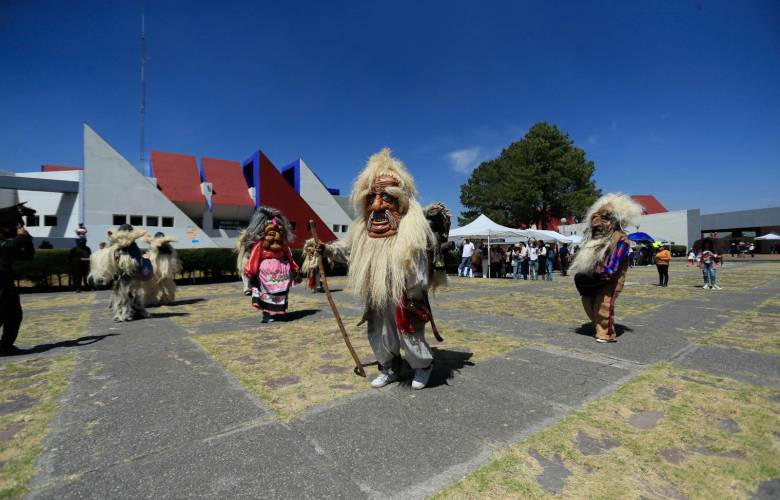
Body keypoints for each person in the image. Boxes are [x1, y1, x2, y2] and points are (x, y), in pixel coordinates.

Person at [316, 148, 444, 390]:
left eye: (385, 197)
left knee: (409, 331)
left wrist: (411, 289)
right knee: (380, 330)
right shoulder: (364, 229)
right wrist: (327, 250)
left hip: (405, 294)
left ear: (399, 199)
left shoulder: (413, 230)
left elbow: (418, 265)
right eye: (372, 198)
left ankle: (422, 366)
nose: (376, 206)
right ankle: (389, 367)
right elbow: (351, 252)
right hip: (377, 293)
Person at [571, 193, 643, 343]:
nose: (596, 224)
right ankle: (599, 326)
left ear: (616, 221)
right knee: (587, 301)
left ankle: (606, 333)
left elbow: (616, 258)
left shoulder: (620, 239)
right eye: (595, 218)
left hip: (610, 279)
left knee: (603, 304)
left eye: (604, 218)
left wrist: (608, 271)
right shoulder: (594, 239)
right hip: (593, 278)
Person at [240, 207, 301, 323]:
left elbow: (290, 258)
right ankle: (267, 314)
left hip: (282, 274)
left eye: (277, 232)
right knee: (266, 294)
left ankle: (281, 312)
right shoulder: (260, 245)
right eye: (271, 232)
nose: (274, 235)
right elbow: (254, 258)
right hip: (265, 275)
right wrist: (250, 271)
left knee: (282, 293)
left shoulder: (283, 247)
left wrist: (295, 270)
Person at [88, 224, 153, 322]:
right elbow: (115, 258)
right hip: (122, 276)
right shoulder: (119, 247)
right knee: (123, 294)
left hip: (130, 275)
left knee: (130, 294)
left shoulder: (131, 247)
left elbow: (136, 261)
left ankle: (132, 312)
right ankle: (124, 313)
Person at [0, 203, 36, 354]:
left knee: (14, 315)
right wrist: (21, 237)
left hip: (7, 287)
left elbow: (27, 256)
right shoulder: (5, 244)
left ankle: (6, 345)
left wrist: (27, 240)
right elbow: (11, 245)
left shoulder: (8, 243)